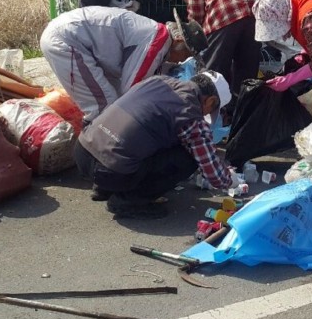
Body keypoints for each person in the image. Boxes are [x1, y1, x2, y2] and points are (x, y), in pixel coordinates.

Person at [73, 71, 233, 219]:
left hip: (83, 151)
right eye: (210, 110)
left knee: (141, 139)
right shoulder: (189, 114)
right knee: (188, 158)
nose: (205, 115)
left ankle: (103, 188)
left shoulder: (157, 81)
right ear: (210, 100)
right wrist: (231, 180)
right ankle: (128, 201)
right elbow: (212, 172)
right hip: (111, 172)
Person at [39, 6, 205, 121]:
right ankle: (92, 154)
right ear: (178, 40)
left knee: (110, 102)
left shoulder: (157, 37)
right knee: (103, 107)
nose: (182, 60)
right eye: (185, 54)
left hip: (70, 34)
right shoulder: (157, 41)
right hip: (66, 40)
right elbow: (132, 89)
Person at [181, 0, 261, 96]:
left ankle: (213, 112)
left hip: (225, 8)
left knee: (213, 73)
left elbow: (195, 10)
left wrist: (197, 39)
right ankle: (243, 112)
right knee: (247, 73)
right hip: (256, 8)